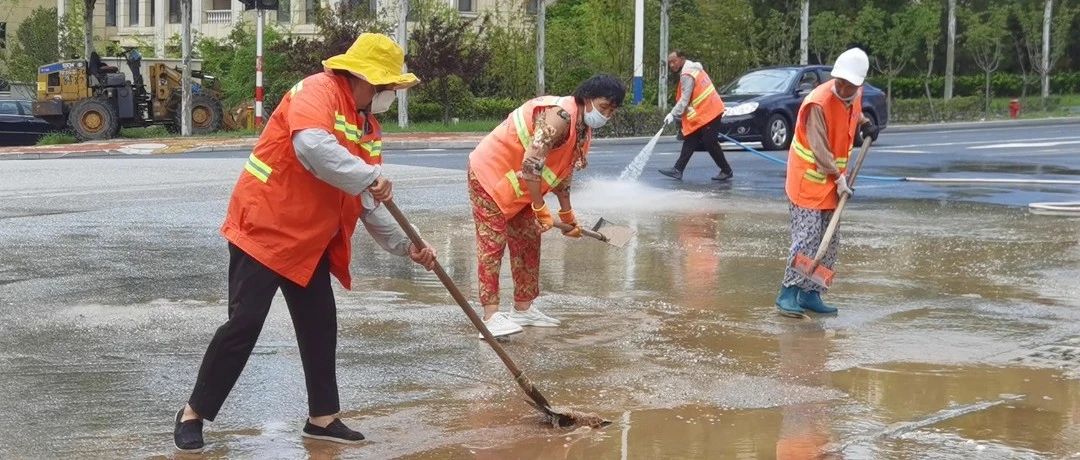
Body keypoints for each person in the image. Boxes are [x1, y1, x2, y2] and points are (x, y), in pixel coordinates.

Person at [173, 33, 438, 453]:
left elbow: (369, 202)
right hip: (264, 226)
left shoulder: (368, 125)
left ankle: (322, 419)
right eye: (387, 87)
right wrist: (369, 177)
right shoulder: (317, 91)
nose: (390, 95)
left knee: (319, 324)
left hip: (309, 238)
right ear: (364, 78)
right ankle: (193, 413)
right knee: (244, 324)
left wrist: (411, 245)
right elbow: (311, 146)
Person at [467, 75, 626, 338]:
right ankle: (490, 316)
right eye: (603, 106)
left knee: (528, 240)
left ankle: (523, 308)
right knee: (492, 243)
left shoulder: (583, 129)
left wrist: (567, 213)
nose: (606, 114)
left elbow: (563, 172)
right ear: (587, 98)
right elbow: (531, 162)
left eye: (611, 110)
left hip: (519, 186)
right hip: (489, 174)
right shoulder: (559, 117)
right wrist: (540, 207)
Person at [775, 48, 877, 317]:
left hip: (833, 183)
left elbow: (853, 115)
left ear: (859, 84)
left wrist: (865, 124)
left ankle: (811, 293)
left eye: (849, 84)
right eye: (839, 81)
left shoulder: (854, 94)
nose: (842, 87)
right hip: (807, 180)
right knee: (807, 240)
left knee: (830, 243)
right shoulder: (817, 102)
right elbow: (819, 148)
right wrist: (839, 178)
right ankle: (788, 292)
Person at [657, 50, 733, 182]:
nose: (671, 65)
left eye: (674, 61)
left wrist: (672, 114)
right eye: (669, 63)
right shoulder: (693, 68)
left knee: (710, 142)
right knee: (691, 139)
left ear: (682, 59)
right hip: (707, 111)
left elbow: (684, 100)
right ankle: (678, 169)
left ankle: (726, 170)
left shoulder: (687, 74)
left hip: (711, 111)